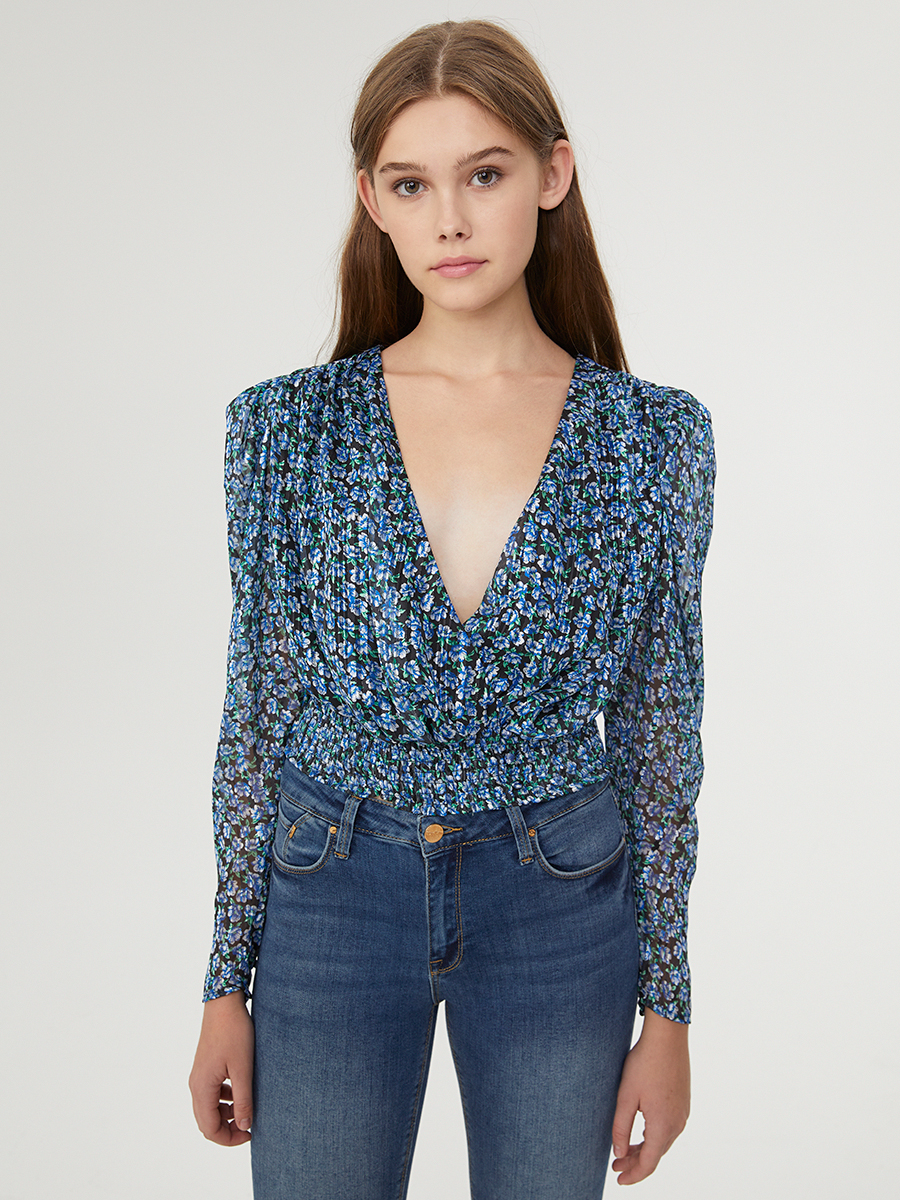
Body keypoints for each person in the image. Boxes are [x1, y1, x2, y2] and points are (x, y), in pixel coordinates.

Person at [188, 18, 716, 1200]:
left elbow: (658, 728)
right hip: (331, 888)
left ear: (552, 174)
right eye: (412, 184)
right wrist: (225, 980)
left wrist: (669, 1009)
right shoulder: (285, 429)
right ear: (371, 201)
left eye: (484, 174)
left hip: (560, 898)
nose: (450, 221)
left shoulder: (652, 438)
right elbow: (258, 708)